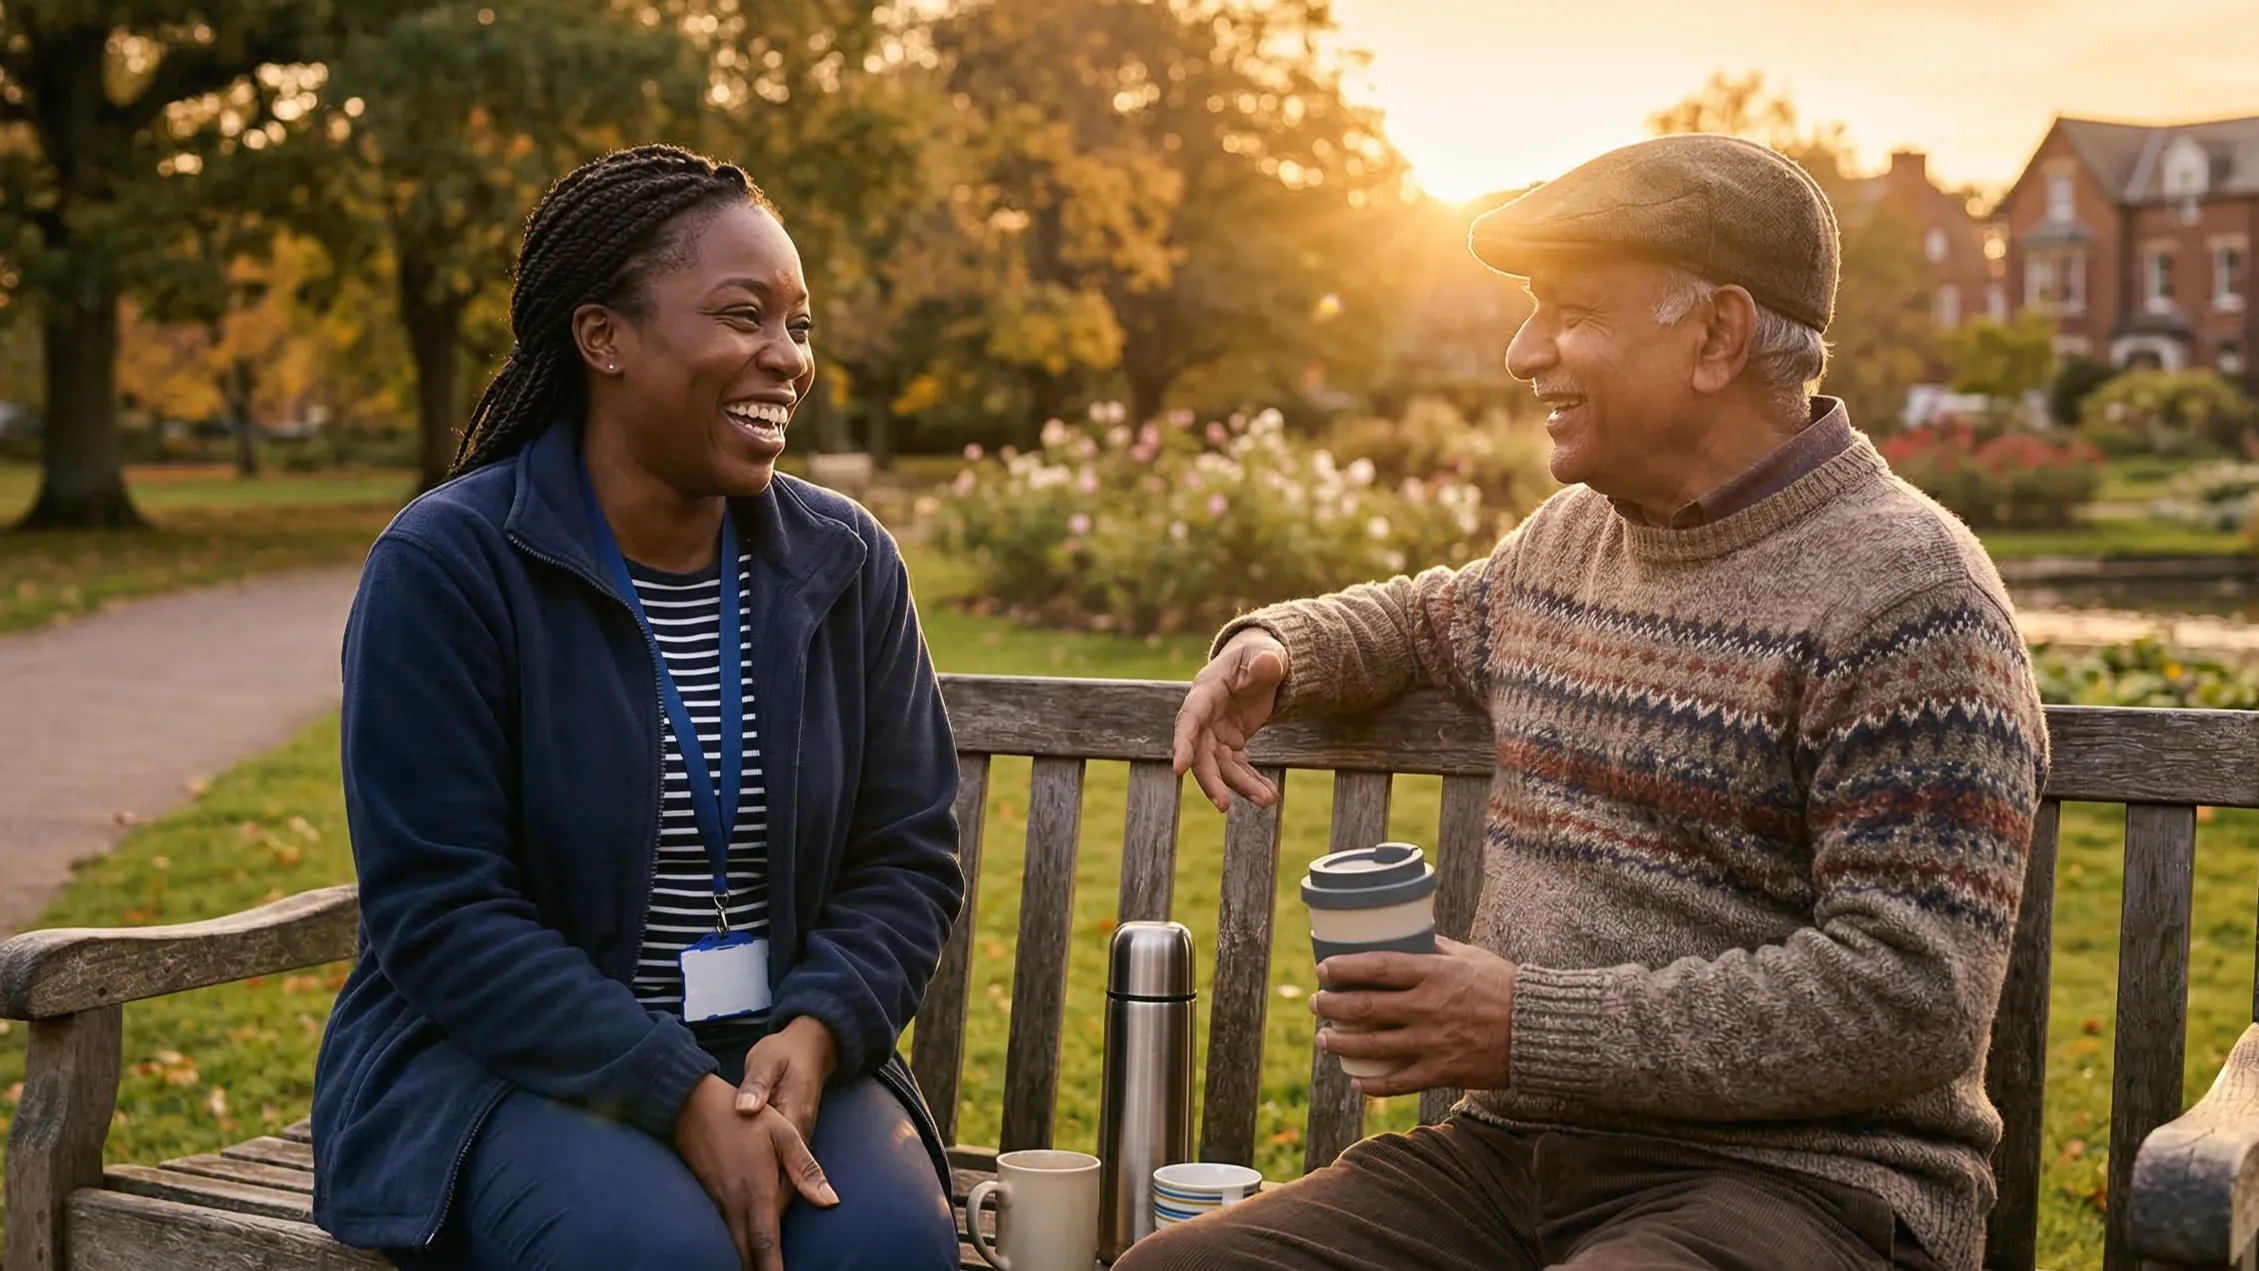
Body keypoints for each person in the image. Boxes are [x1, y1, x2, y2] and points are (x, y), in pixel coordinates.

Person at [1143, 134, 2049, 1271]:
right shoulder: (1571, 542)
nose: (1526, 352)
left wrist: (1524, 1021)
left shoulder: (1912, 596)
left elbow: (1908, 997)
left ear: (1716, 333)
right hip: (1514, 1154)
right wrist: (1282, 645)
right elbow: (1430, 615)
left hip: (1805, 1186)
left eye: (1569, 310)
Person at [309, 145, 965, 1271]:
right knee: (659, 1255)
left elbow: (906, 855)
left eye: (798, 325)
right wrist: (671, 1087)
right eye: (744, 314)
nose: (786, 359)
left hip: (775, 1046)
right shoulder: (452, 565)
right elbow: (443, 909)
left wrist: (814, 1031)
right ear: (603, 337)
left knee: (893, 1248)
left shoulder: (845, 562)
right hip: (506, 1066)